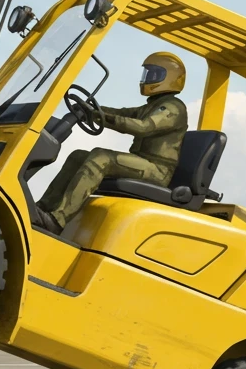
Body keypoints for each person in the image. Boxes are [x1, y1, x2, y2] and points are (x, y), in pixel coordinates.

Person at [37, 51, 189, 233]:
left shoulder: (173, 108)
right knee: (78, 156)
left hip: (157, 170)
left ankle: (58, 220)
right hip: (142, 162)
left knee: (101, 157)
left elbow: (142, 127)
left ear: (169, 78)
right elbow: (122, 113)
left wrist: (102, 118)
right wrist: (93, 110)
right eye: (147, 74)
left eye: (154, 74)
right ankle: (43, 208)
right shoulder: (152, 106)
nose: (147, 78)